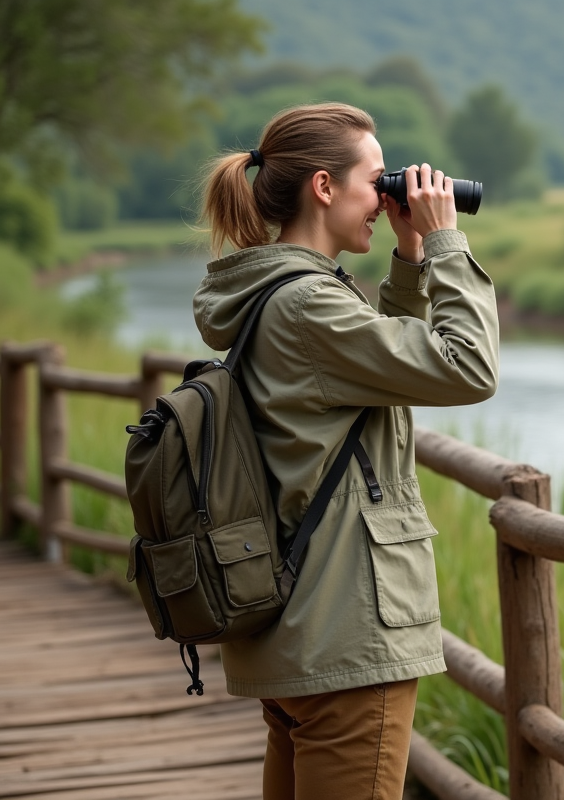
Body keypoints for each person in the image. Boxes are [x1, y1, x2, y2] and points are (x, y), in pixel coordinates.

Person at [193, 102, 499, 799]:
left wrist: (409, 256)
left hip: (301, 629)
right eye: (374, 180)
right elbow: (468, 368)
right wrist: (448, 241)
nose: (386, 196)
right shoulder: (308, 305)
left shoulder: (279, 294)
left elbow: (375, 371)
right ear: (324, 188)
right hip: (347, 639)